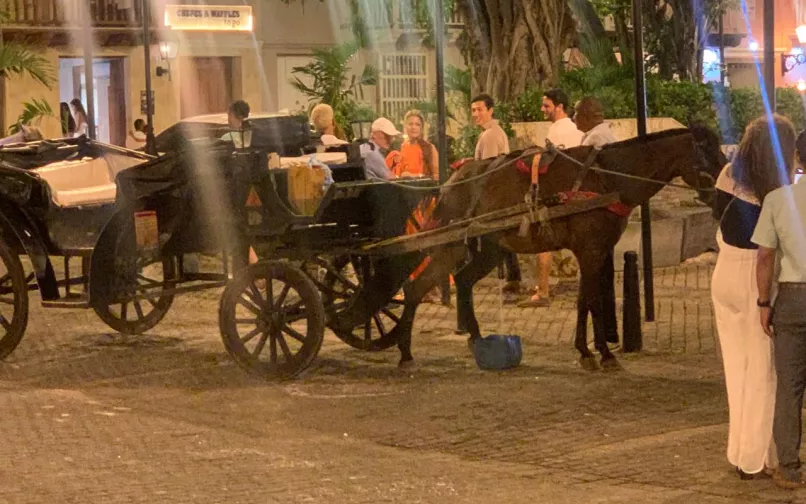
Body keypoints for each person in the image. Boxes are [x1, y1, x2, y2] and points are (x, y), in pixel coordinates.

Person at [713, 115, 796, 484]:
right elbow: (767, 252)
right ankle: (756, 459)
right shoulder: (775, 191)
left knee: (736, 367)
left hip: (723, 273)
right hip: (753, 278)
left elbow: (718, 216)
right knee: (763, 371)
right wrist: (766, 302)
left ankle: (739, 451)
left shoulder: (727, 174)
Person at [753, 122, 806, 489]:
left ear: (798, 158)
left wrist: (763, 302)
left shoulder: (777, 200)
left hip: (793, 297)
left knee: (789, 386)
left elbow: (764, 257)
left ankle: (789, 466)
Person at [520, 88, 583, 308]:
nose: (542, 110)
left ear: (559, 107)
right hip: (574, 191)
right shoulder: (575, 130)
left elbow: (548, 163)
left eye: (546, 105)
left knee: (543, 240)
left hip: (556, 194)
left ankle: (543, 290)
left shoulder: (557, 131)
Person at [469, 93, 522, 298]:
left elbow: (488, 167)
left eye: (480, 109)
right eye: (473, 110)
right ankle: (513, 276)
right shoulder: (492, 132)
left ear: (490, 110)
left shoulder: (490, 135)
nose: (476, 114)